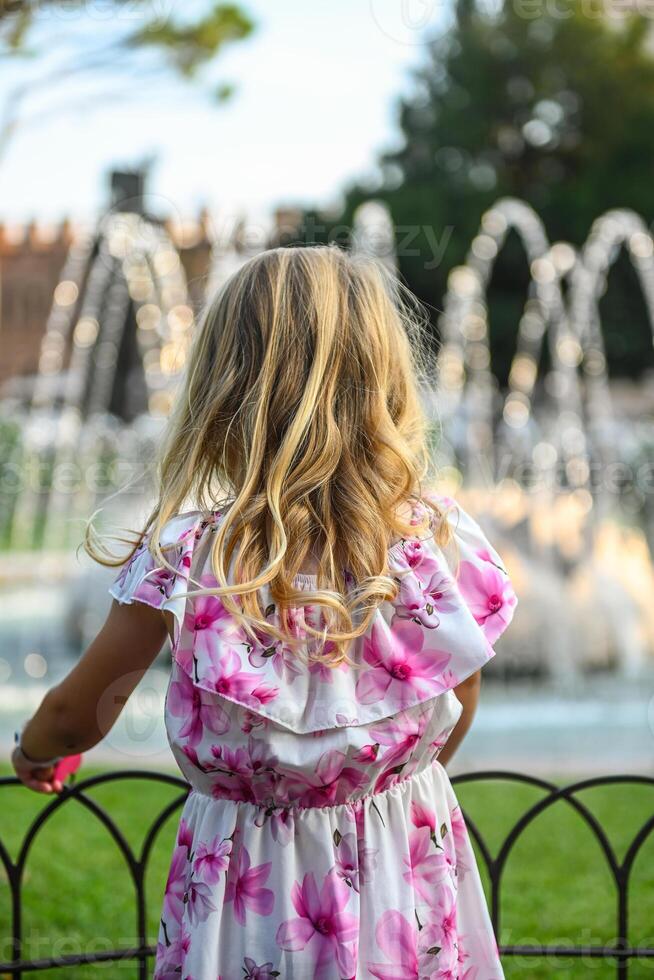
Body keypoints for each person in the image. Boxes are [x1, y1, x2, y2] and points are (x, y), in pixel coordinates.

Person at [12, 245, 517, 979]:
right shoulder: (430, 539)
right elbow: (457, 697)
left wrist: (34, 752)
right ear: (381, 379)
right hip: (402, 858)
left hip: (246, 876)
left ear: (223, 388)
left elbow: (79, 713)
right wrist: (385, 785)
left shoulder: (187, 555)